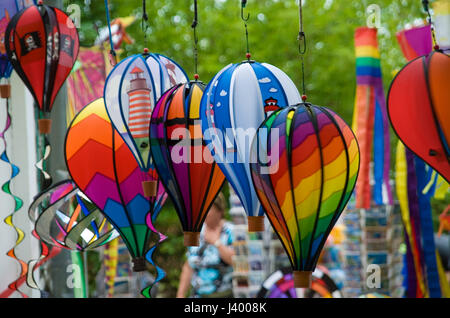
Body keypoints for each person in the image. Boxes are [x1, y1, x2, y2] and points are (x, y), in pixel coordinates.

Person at [176, 193, 235, 298]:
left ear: (220, 211)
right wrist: (180, 294)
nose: (203, 213)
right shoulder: (196, 232)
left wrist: (216, 242)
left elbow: (235, 261)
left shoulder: (230, 231)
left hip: (224, 295)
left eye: (208, 209)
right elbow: (189, 265)